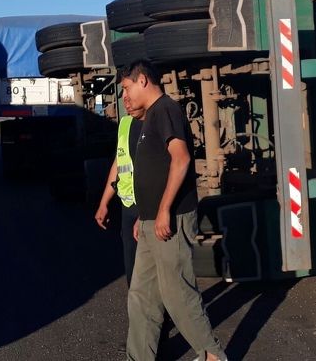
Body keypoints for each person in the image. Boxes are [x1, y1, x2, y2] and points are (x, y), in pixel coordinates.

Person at [120, 60, 227, 361]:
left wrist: (164, 210)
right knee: (141, 298)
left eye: (127, 88)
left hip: (171, 219)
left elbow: (180, 160)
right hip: (151, 222)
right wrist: (144, 216)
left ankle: (212, 356)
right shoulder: (148, 117)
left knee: (177, 294)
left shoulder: (165, 109)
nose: (125, 97)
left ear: (143, 80)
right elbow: (153, 170)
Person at [95, 93, 146, 287]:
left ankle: (161, 315)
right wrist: (104, 203)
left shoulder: (154, 125)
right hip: (128, 206)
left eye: (129, 94)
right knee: (132, 269)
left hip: (149, 207)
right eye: (123, 95)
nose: (126, 100)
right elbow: (119, 163)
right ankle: (141, 313)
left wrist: (146, 213)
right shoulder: (125, 124)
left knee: (154, 271)